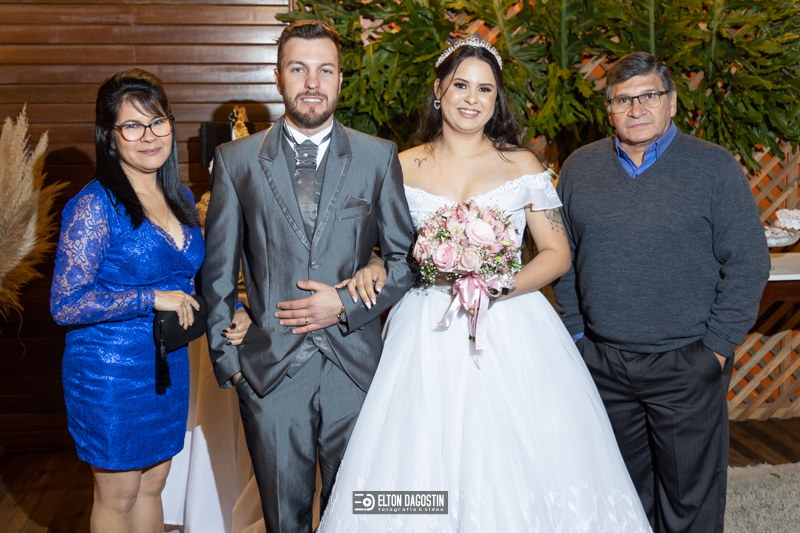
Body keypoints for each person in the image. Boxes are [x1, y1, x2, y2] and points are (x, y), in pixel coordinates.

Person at [317, 38, 651, 532]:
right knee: (418, 454)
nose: (471, 99)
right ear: (439, 91)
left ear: (497, 100)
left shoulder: (523, 165)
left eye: (485, 89)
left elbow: (557, 253)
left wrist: (497, 287)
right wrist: (371, 262)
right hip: (426, 327)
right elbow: (382, 246)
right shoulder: (400, 165)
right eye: (461, 85)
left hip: (512, 325)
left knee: (524, 456)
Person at [200, 20, 419, 532]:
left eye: (325, 70)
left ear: (341, 79)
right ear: (278, 77)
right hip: (269, 375)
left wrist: (346, 304)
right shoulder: (236, 162)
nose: (312, 83)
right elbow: (217, 274)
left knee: (359, 517)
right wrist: (230, 363)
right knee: (284, 521)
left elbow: (405, 260)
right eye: (299, 69)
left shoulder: (377, 156)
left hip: (355, 371)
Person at [551, 52, 771, 532]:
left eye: (649, 96)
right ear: (609, 110)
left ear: (671, 102)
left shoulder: (713, 167)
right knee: (620, 498)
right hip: (603, 363)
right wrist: (577, 338)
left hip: (686, 362)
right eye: (623, 100)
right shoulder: (579, 168)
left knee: (689, 502)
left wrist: (715, 349)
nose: (636, 109)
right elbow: (562, 259)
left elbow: (749, 261)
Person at [50, 69, 250, 533]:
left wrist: (234, 310)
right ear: (109, 136)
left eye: (157, 122)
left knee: (155, 482)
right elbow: (66, 303)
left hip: (167, 362)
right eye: (132, 126)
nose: (149, 136)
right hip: (108, 371)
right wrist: (149, 297)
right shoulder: (94, 206)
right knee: (118, 493)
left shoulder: (180, 196)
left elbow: (195, 278)